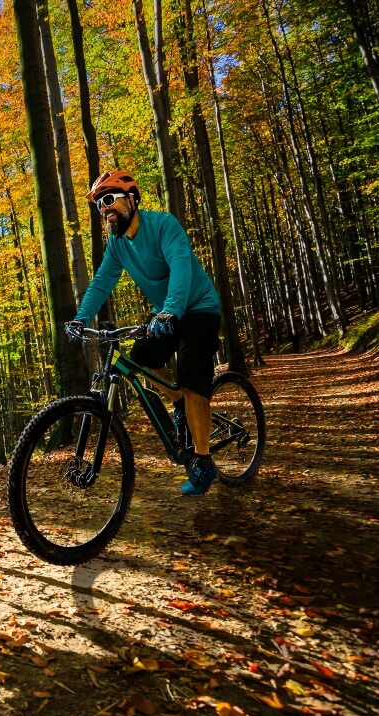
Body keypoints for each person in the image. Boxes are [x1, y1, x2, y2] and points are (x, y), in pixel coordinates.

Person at [65, 170, 223, 496]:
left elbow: (180, 267)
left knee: (194, 379)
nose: (104, 209)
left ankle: (204, 462)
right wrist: (80, 318)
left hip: (198, 307)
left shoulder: (164, 225)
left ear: (133, 199)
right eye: (98, 205)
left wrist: (170, 311)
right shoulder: (118, 244)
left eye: (109, 199)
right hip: (166, 311)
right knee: (139, 359)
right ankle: (177, 402)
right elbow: (101, 282)